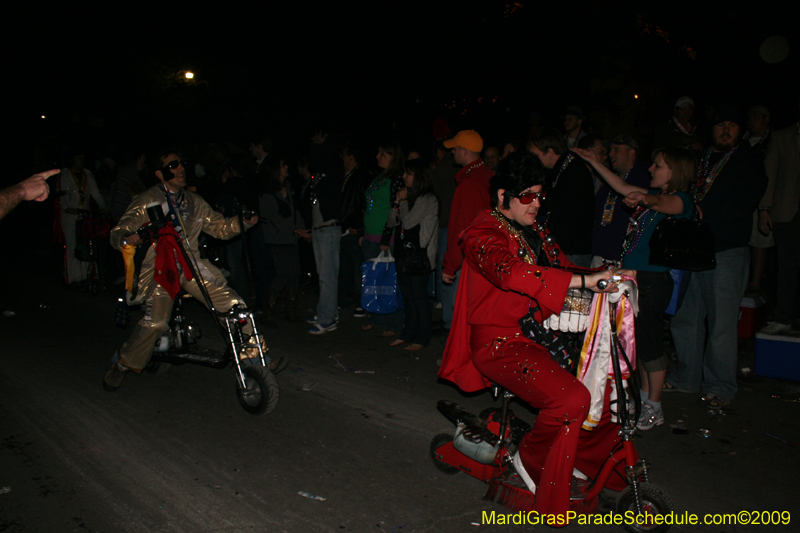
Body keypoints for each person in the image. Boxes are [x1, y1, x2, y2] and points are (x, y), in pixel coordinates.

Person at [438, 153, 628, 522]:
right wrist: (585, 281)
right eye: (528, 196)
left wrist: (605, 274)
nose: (536, 204)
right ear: (502, 197)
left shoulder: (535, 229)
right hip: (499, 344)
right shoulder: (482, 233)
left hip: (537, 335)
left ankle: (578, 463)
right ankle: (530, 457)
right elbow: (510, 273)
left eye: (540, 196)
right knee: (572, 399)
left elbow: (560, 268)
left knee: (607, 389)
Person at [103, 151, 286, 392]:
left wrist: (242, 221)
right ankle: (122, 363)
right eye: (173, 165)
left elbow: (218, 226)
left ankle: (255, 360)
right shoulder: (146, 201)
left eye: (182, 164)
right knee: (155, 323)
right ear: (160, 173)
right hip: (160, 270)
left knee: (234, 305)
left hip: (191, 265)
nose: (180, 169)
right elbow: (118, 233)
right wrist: (130, 237)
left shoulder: (193, 201)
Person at [574, 145, 696, 430]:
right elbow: (622, 186)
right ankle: (642, 398)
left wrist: (643, 197)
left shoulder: (680, 200)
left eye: (658, 165)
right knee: (638, 343)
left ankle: (655, 405)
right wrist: (595, 161)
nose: (651, 169)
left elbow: (664, 204)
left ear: (674, 171)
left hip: (652, 282)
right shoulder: (653, 200)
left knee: (651, 344)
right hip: (635, 279)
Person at [665, 107, 767, 408]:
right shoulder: (698, 160)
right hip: (689, 249)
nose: (725, 129)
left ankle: (720, 384)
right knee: (685, 317)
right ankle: (687, 377)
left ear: (740, 129)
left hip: (725, 250)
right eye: (720, 123)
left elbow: (745, 201)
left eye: (732, 124)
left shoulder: (748, 160)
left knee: (721, 322)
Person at [440, 130, 494, 329]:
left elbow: (460, 227)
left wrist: (450, 265)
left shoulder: (469, 182)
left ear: (464, 151)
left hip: (473, 257)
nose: (452, 152)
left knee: (464, 311)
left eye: (455, 148)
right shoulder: (487, 175)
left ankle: (462, 357)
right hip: (488, 254)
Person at [386, 159, 438, 351]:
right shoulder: (407, 197)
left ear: (419, 176)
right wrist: (398, 202)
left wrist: (404, 201)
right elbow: (392, 221)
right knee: (407, 296)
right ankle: (408, 333)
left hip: (418, 255)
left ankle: (422, 337)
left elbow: (408, 222)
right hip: (402, 252)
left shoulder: (427, 198)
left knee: (419, 297)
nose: (404, 177)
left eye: (408, 173)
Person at [758, 108, 800, 335]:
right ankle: (783, 316)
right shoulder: (782, 136)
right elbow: (769, 174)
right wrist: (764, 209)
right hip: (788, 212)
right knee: (787, 266)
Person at [360, 141, 405, 336]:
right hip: (370, 237)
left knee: (389, 281)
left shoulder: (396, 179)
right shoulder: (379, 177)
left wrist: (387, 238)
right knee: (373, 280)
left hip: (385, 238)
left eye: (383, 154)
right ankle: (376, 319)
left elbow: (395, 211)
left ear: (393, 157)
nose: (378, 157)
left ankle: (394, 322)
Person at [259, 157, 305, 326]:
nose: (286, 167)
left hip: (291, 239)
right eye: (282, 165)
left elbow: (296, 211)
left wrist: (300, 229)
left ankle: (290, 311)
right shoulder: (267, 193)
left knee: (294, 274)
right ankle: (267, 313)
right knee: (282, 274)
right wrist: (293, 229)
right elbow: (275, 218)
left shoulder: (289, 188)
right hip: (277, 240)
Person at [56, 152, 108, 285]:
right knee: (72, 245)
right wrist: (67, 207)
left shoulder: (88, 175)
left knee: (88, 244)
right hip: (69, 216)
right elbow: (61, 194)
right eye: (79, 158)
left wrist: (104, 207)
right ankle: (73, 277)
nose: (82, 160)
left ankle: (88, 275)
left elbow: (96, 193)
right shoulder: (65, 175)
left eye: (83, 157)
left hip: (84, 215)